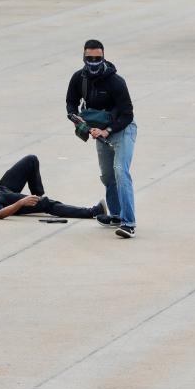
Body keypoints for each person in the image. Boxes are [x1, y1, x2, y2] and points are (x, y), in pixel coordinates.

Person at [65, 40, 137, 239]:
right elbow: (70, 103)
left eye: (98, 58)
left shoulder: (116, 82)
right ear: (83, 58)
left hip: (122, 129)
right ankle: (115, 215)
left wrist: (107, 131)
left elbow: (127, 114)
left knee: (121, 172)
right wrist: (76, 119)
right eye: (90, 58)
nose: (94, 62)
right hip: (98, 128)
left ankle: (129, 223)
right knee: (107, 176)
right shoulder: (78, 78)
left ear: (104, 58)